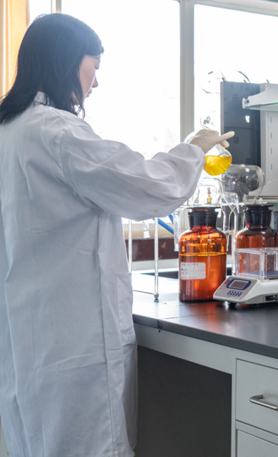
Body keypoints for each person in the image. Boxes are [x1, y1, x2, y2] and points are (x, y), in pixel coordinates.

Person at [0, 14, 232, 456]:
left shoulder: (9, 131)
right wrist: (193, 150)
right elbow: (147, 186)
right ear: (68, 61)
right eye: (94, 66)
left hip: (25, 344)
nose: (96, 82)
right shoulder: (58, 133)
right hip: (73, 346)